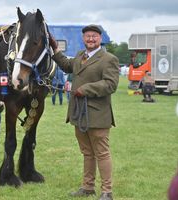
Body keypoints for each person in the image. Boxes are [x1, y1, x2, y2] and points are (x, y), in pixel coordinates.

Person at [49, 24, 119, 200]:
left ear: (100, 39)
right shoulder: (80, 55)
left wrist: (85, 89)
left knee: (101, 153)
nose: (90, 39)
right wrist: (55, 49)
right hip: (78, 114)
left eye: (94, 36)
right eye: (87, 36)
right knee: (87, 153)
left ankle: (107, 191)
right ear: (83, 38)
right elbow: (66, 65)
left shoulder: (109, 59)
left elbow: (110, 85)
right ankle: (88, 187)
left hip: (97, 114)